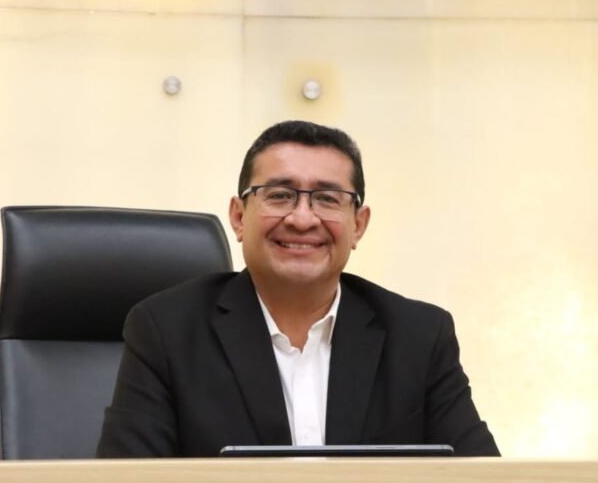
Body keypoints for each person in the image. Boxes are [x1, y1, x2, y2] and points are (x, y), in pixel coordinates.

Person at [97, 120, 499, 457]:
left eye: (327, 199)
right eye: (280, 196)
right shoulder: (166, 331)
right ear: (239, 217)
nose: (303, 219)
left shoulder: (419, 337)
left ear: (358, 225)